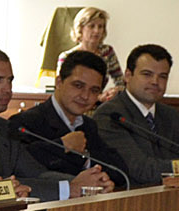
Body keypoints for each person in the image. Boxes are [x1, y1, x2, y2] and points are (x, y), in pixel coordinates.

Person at [0, 46, 109, 201]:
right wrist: (69, 189)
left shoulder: (4, 127)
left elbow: (37, 173)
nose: (7, 89)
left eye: (9, 80)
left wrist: (88, 182)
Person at [91, 44, 179, 185]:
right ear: (128, 75)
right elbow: (141, 169)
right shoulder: (110, 115)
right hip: (130, 200)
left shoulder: (170, 115)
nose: (155, 82)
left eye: (162, 76)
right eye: (147, 74)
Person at [13, 49, 127, 185]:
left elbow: (121, 172)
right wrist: (62, 145)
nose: (85, 96)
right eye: (78, 86)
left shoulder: (88, 125)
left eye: (94, 90)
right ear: (59, 82)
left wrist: (88, 162)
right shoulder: (25, 122)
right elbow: (19, 166)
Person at [55, 6, 123, 91]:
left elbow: (121, 82)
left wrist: (115, 91)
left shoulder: (107, 52)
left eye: (100, 26)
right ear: (80, 28)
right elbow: (61, 88)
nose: (97, 31)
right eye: (91, 26)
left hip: (100, 101)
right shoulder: (66, 56)